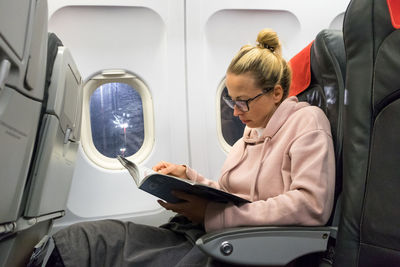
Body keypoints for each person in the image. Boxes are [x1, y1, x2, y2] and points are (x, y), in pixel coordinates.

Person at [46, 28, 335, 267]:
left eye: (243, 101)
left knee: (96, 249)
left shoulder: (307, 122)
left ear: (276, 93)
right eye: (231, 101)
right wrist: (188, 179)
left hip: (258, 248)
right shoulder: (247, 138)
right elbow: (234, 197)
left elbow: (310, 206)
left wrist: (212, 215)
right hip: (226, 234)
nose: (236, 112)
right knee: (96, 237)